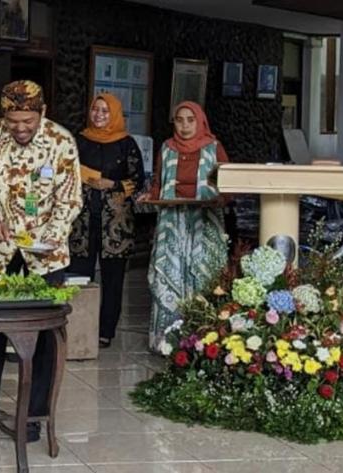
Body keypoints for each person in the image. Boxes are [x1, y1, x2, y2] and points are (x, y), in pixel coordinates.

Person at [0, 80, 82, 443]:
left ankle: (33, 416)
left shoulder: (61, 142)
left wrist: (49, 234)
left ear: (42, 113)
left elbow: (70, 199)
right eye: (13, 121)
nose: (20, 128)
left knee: (44, 338)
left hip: (45, 256)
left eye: (27, 121)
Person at [137, 101, 229, 352]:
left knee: (205, 275)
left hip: (204, 225)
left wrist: (224, 197)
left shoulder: (213, 147)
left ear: (201, 122)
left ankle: (206, 340)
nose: (185, 125)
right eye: (180, 120)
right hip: (172, 224)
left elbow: (229, 182)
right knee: (169, 274)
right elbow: (159, 181)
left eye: (191, 120)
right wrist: (151, 195)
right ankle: (167, 341)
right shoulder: (167, 148)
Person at [68, 94, 144, 349]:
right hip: (82, 221)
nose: (99, 115)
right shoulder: (78, 141)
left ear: (115, 114)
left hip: (116, 225)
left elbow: (138, 182)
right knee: (78, 276)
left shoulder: (126, 144)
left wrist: (112, 184)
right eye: (95, 109)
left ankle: (105, 330)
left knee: (112, 280)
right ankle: (75, 327)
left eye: (105, 111)